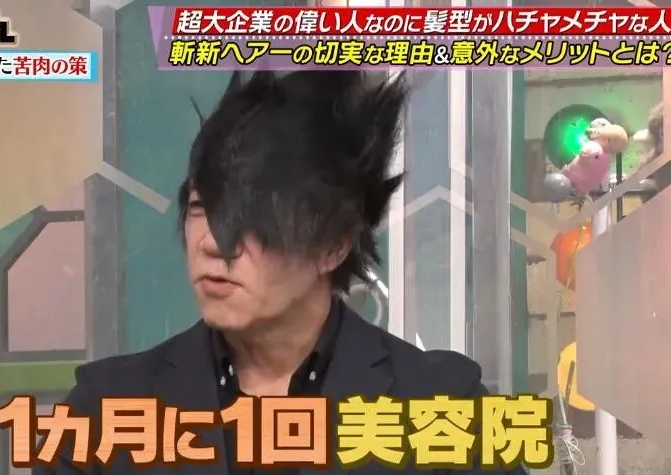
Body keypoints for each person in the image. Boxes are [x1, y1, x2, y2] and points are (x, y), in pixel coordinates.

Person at [32, 71, 529, 475]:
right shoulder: (103, 411)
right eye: (202, 208)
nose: (214, 244)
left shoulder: (444, 406)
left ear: (333, 246)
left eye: (252, 220)